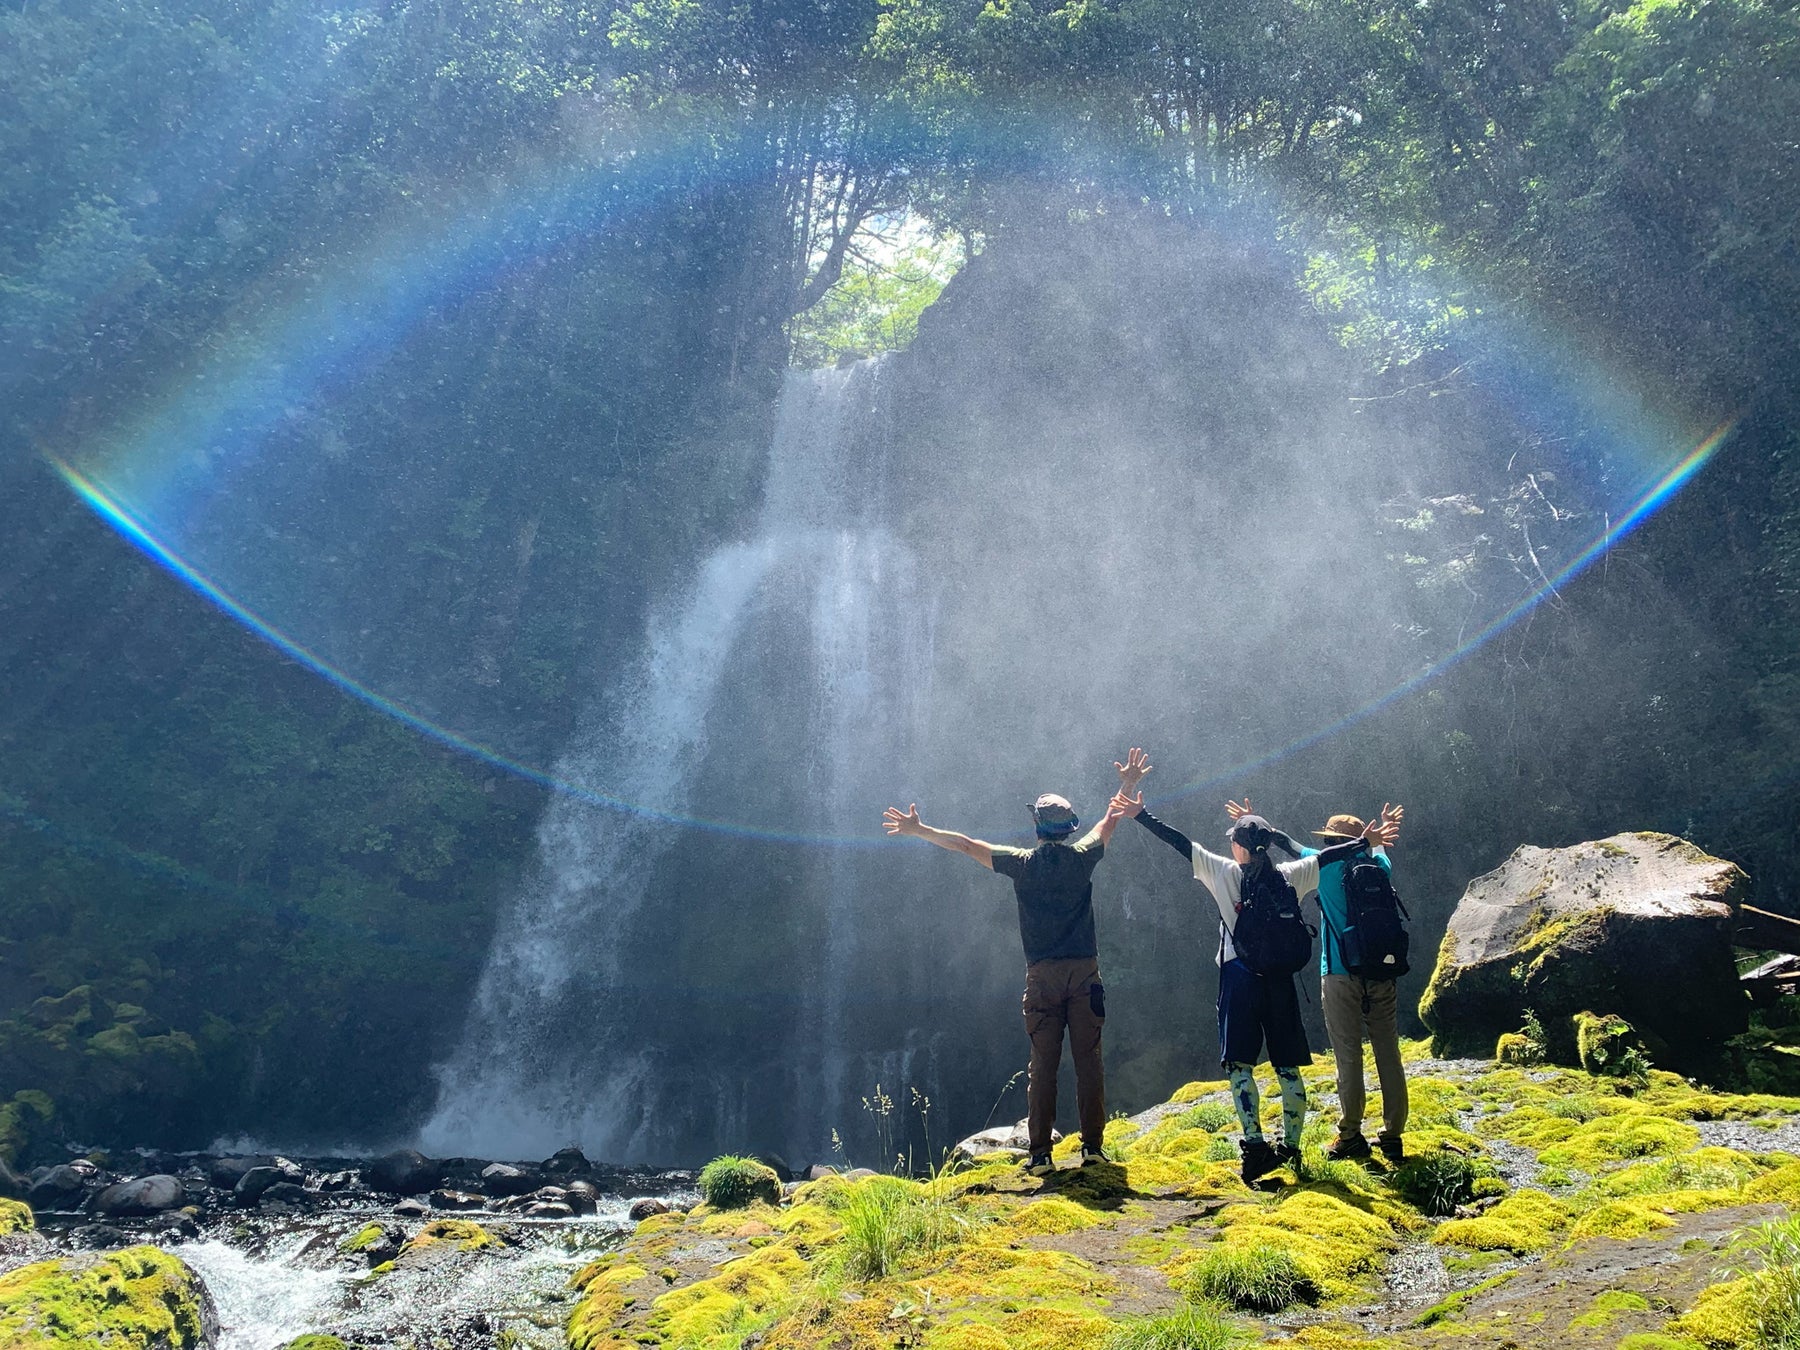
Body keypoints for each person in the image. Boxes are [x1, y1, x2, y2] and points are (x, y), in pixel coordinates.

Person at [1110, 748, 1399, 1182]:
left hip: (1239, 978)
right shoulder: (1293, 875)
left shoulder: (1224, 872)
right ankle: (1294, 1148)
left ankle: (1255, 1148)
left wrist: (1140, 814)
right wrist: (1366, 844)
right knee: (1287, 1067)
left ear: (1238, 846)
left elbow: (1180, 843)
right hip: (1281, 980)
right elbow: (1327, 858)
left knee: (1241, 1066)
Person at [882, 792, 1126, 1176]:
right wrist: (1125, 786)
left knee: (1043, 1064)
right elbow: (1107, 824)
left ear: (1036, 827)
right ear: (1067, 829)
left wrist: (920, 829)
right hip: (1084, 974)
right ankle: (1093, 1148)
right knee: (1089, 1062)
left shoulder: (1022, 864)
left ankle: (1041, 1154)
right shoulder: (1083, 857)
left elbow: (965, 845)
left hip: (1042, 976)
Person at [1228, 799, 1410, 1162]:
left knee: (1348, 1056)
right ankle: (1392, 1135)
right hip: (1383, 971)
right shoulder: (1379, 864)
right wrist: (1378, 836)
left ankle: (1351, 1135)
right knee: (1388, 1051)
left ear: (1331, 841)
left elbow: (1288, 844)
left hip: (1341, 972)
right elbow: (1377, 850)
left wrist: (1254, 829)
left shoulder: (1324, 865)